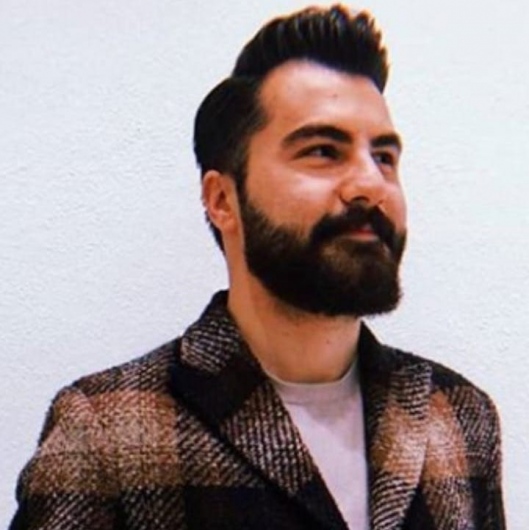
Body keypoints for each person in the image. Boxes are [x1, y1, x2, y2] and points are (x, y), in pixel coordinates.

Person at [10, 5, 505, 529]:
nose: (370, 184)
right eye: (323, 150)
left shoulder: (459, 415)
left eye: (384, 157)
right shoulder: (106, 433)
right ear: (223, 200)